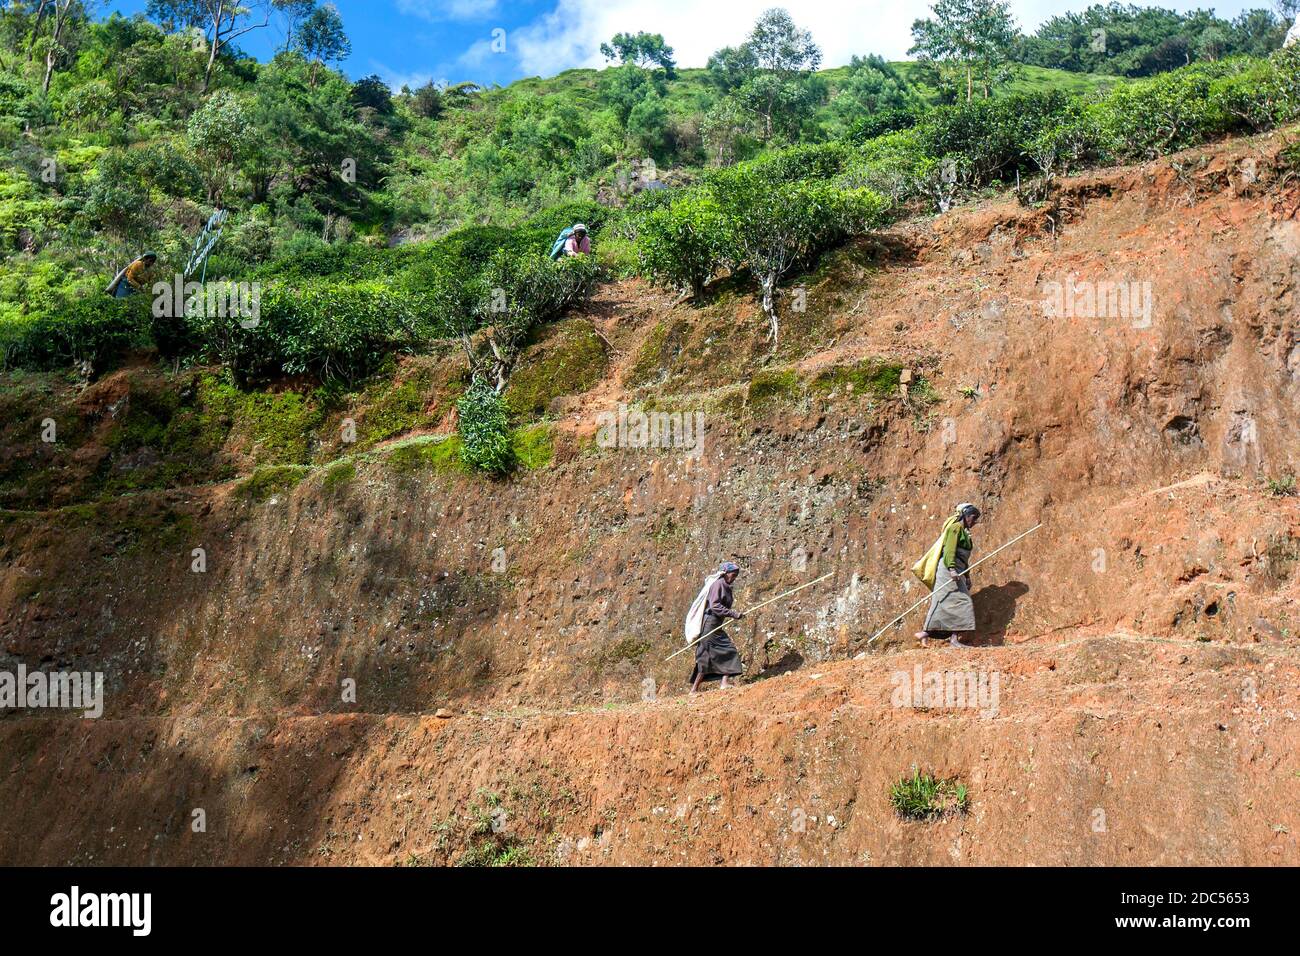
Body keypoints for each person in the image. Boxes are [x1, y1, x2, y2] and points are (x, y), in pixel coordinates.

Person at [916, 503, 980, 647]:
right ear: (965, 515)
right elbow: (949, 551)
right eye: (973, 517)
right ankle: (953, 640)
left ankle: (925, 633)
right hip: (947, 571)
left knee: (944, 602)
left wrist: (967, 576)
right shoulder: (955, 528)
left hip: (957, 570)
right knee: (962, 601)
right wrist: (951, 569)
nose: (974, 522)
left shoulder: (964, 532)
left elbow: (963, 559)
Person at [689, 561, 746, 693]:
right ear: (725, 573)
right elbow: (715, 606)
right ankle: (724, 683)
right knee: (728, 650)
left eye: (736, 575)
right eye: (733, 574)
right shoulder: (719, 584)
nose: (734, 578)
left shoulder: (724, 585)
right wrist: (733, 614)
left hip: (712, 624)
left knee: (705, 657)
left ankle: (693, 690)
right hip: (710, 624)